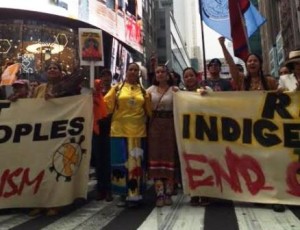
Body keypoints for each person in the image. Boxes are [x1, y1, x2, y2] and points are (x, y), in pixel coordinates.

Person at [30, 62, 81, 216]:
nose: (52, 70)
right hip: (41, 134)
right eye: (49, 68)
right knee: (39, 168)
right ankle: (39, 202)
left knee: (55, 168)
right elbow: (30, 107)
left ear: (61, 72)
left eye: (55, 68)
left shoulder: (69, 89)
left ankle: (55, 203)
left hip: (60, 134)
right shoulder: (38, 89)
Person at [104, 62, 151, 207]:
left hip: (138, 132)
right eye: (130, 69)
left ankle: (135, 194)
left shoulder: (144, 92)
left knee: (136, 164)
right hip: (118, 131)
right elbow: (106, 107)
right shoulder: (116, 89)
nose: (132, 72)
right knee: (120, 163)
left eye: (135, 70)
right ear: (126, 72)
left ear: (139, 73)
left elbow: (149, 112)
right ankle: (124, 194)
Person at [146, 65, 178, 207]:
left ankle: (169, 193)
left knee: (170, 157)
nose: (160, 74)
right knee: (156, 157)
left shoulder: (175, 90)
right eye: (157, 72)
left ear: (167, 74)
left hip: (170, 127)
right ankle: (159, 194)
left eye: (163, 72)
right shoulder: (149, 91)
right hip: (154, 128)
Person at [92, 69, 113, 202]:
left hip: (111, 129)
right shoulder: (94, 92)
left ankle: (110, 189)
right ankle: (101, 189)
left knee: (110, 161)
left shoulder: (116, 91)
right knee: (99, 161)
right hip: (97, 129)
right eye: (103, 76)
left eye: (108, 76)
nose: (105, 78)